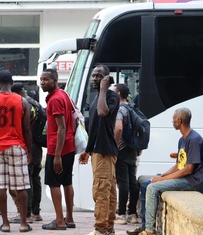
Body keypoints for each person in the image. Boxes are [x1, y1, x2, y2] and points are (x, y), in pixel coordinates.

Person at [127, 107, 203, 235]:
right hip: (186, 178)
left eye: (173, 119)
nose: (172, 122)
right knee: (145, 184)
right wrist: (162, 175)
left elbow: (188, 169)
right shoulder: (182, 139)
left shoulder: (194, 140)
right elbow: (179, 165)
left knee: (152, 188)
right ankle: (144, 225)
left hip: (193, 181)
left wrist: (161, 180)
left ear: (179, 121)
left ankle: (149, 230)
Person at [0, 69, 33, 233]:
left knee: (1, 187)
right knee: (21, 187)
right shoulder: (22, 101)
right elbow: (27, 129)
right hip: (17, 146)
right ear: (11, 83)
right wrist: (29, 151)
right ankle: (23, 223)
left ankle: (5, 224)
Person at [79, 65, 119, 235]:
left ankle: (101, 228)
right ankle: (108, 228)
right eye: (93, 76)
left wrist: (104, 89)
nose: (94, 79)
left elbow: (103, 113)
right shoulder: (98, 98)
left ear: (107, 79)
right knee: (107, 189)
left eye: (99, 76)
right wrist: (87, 151)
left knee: (101, 190)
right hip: (97, 150)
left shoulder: (109, 96)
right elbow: (94, 128)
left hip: (105, 151)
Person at [40, 68, 76, 230]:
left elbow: (61, 128)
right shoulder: (63, 94)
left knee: (54, 183)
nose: (42, 82)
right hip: (69, 145)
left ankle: (60, 221)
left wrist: (57, 156)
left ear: (54, 80)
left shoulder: (55, 99)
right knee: (67, 181)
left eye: (46, 79)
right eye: (41, 79)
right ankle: (69, 218)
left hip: (57, 149)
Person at [11, 82, 44, 222]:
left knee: (27, 180)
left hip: (28, 146)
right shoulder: (36, 103)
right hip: (38, 146)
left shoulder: (24, 104)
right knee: (35, 178)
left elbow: (25, 128)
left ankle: (27, 214)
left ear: (16, 93)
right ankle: (36, 212)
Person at [113, 83, 139, 225]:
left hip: (122, 149)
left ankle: (121, 214)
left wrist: (115, 146)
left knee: (122, 183)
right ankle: (133, 214)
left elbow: (118, 128)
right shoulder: (132, 107)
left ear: (118, 94)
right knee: (132, 182)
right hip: (132, 148)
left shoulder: (120, 109)